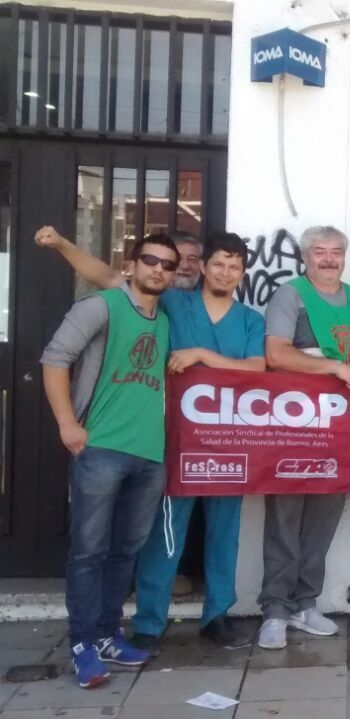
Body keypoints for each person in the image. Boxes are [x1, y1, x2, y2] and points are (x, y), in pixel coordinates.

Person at [33, 228, 267, 652]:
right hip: (169, 439)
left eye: (235, 267)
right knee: (164, 531)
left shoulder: (251, 320)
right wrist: (63, 244)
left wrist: (201, 355)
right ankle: (148, 620)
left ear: (243, 273)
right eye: (218, 263)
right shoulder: (174, 303)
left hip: (231, 441)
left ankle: (217, 615)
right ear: (201, 267)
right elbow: (106, 277)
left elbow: (256, 368)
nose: (226, 272)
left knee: (224, 530)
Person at [40, 233, 178, 688]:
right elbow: (56, 359)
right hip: (100, 448)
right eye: (150, 260)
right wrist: (67, 424)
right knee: (88, 551)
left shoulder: (165, 317)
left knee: (124, 551)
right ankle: (82, 643)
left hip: (148, 454)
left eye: (167, 264)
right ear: (132, 264)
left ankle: (106, 634)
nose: (158, 269)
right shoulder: (102, 306)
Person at [257, 225, 350, 650]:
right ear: (306, 257)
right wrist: (332, 367)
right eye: (320, 252)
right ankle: (275, 610)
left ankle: (306, 603)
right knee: (285, 518)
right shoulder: (292, 295)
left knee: (323, 520)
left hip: (341, 429)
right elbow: (275, 353)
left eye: (336, 251)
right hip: (294, 429)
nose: (328, 258)